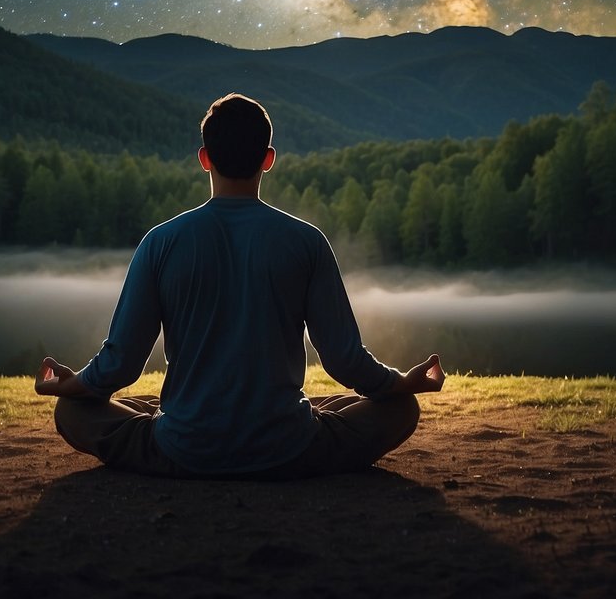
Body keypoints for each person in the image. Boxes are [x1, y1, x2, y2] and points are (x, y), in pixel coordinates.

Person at [35, 92, 445, 479]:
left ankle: (181, 428)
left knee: (74, 411)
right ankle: (283, 424)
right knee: (399, 409)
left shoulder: (160, 242)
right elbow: (344, 360)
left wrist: (76, 385)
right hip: (288, 449)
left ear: (204, 158)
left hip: (185, 449)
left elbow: (121, 363)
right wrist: (402, 383)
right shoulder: (306, 241)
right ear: (268, 160)